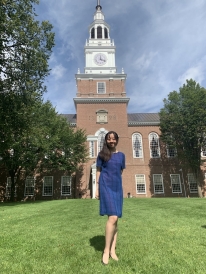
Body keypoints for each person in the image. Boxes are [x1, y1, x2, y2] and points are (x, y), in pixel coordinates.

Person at [95, 131, 125, 265]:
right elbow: (98, 171)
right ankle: (106, 250)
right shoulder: (102, 155)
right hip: (105, 185)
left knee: (116, 219)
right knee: (112, 217)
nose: (111, 141)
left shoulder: (121, 156)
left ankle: (113, 250)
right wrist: (97, 189)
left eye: (113, 139)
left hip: (117, 187)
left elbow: (120, 171)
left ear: (117, 140)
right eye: (109, 139)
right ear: (106, 141)